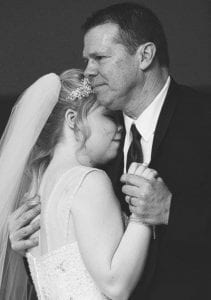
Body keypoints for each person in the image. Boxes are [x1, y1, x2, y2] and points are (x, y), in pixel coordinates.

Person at [7, 2, 211, 300]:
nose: (89, 71)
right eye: (87, 59)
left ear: (145, 55)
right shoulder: (97, 146)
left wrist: (171, 211)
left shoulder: (202, 119)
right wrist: (27, 243)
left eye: (99, 57)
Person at [0, 68, 157, 300]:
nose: (120, 127)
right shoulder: (88, 180)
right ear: (73, 120)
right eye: (108, 116)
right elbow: (115, 286)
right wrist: (142, 215)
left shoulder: (38, 186)